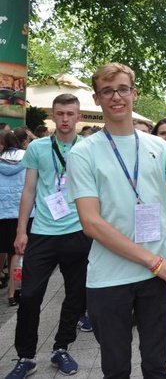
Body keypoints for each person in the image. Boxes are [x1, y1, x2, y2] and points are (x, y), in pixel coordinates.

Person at [67, 62, 166, 379]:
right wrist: (155, 262)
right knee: (116, 369)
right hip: (110, 279)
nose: (116, 97)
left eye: (123, 89)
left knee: (158, 367)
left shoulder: (158, 146)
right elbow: (92, 223)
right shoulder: (83, 153)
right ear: (97, 98)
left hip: (157, 278)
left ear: (134, 93)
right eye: (107, 91)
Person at [4, 94, 91, 379]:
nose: (65, 118)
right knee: (29, 296)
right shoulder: (39, 148)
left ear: (78, 117)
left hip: (78, 233)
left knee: (76, 296)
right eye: (60, 113)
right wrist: (21, 231)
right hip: (42, 232)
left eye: (70, 113)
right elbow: (28, 190)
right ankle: (26, 356)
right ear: (52, 116)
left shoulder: (89, 148)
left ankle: (61, 348)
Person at [0, 128, 30, 307]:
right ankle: (14, 290)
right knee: (17, 255)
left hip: (2, 212)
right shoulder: (28, 160)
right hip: (21, 214)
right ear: (23, 141)